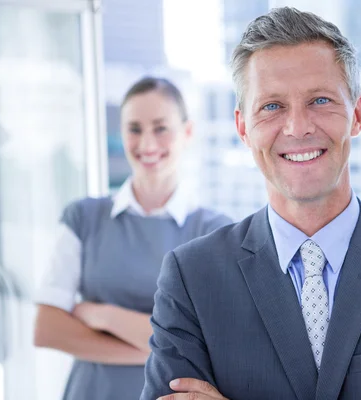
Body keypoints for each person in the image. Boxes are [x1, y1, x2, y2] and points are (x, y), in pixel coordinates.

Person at [141, 8, 361, 400]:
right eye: (272, 106)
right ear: (243, 127)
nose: (298, 127)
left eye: (320, 100)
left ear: (357, 115)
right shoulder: (191, 280)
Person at [33, 76, 232, 400]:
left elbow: (215, 345)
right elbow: (48, 329)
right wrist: (164, 348)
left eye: (160, 128)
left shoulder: (217, 233)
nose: (147, 144)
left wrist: (101, 315)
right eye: (134, 129)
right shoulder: (83, 218)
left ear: (188, 132)